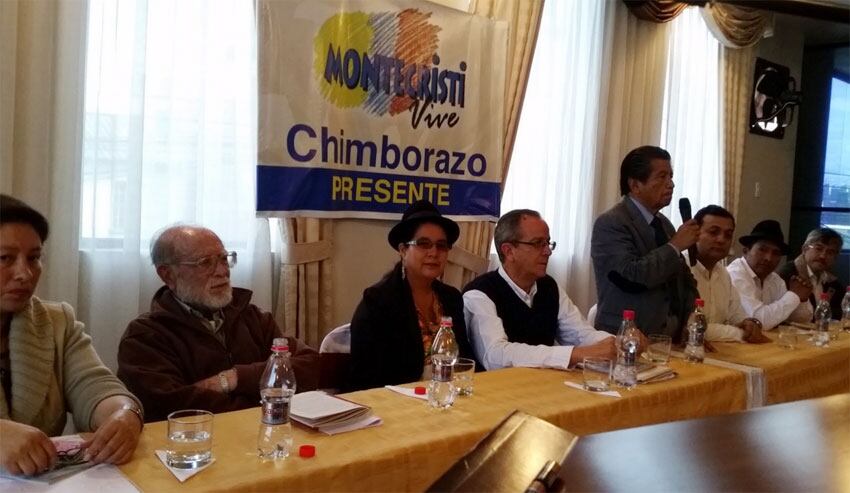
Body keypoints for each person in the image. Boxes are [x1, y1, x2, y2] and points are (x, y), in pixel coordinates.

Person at [0, 195, 143, 476]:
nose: (24, 273)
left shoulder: (57, 322)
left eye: (34, 258)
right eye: (5, 258)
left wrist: (125, 414)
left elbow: (97, 388)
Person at [117, 225, 319, 422]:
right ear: (168, 274)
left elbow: (313, 367)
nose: (222, 271)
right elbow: (174, 410)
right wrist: (264, 396)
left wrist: (235, 378)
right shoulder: (144, 337)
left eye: (224, 259)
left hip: (265, 432)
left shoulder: (253, 317)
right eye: (205, 263)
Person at [346, 201, 475, 392]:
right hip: (395, 399)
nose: (434, 253)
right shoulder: (378, 301)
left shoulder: (451, 297)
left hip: (447, 396)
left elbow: (464, 358)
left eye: (441, 246)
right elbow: (366, 377)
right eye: (423, 244)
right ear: (403, 250)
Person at [463, 210, 616, 370]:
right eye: (537, 243)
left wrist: (617, 343)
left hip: (545, 382)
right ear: (509, 251)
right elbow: (496, 355)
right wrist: (573, 355)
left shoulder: (548, 286)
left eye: (548, 243)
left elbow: (580, 334)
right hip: (500, 385)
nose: (547, 252)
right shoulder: (479, 293)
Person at [591, 146, 699, 340]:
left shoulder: (664, 224)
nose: (671, 184)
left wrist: (689, 319)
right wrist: (674, 246)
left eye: (671, 176)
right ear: (635, 185)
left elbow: (684, 279)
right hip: (626, 338)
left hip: (669, 340)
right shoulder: (611, 223)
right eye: (662, 177)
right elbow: (631, 276)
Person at [688, 205, 770, 343]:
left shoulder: (723, 273)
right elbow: (691, 327)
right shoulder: (680, 268)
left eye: (728, 235)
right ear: (695, 234)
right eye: (714, 232)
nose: (721, 240)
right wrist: (739, 333)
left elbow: (737, 317)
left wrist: (748, 325)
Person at [727, 220, 812, 330]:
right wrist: (794, 295)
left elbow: (802, 320)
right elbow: (758, 322)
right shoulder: (735, 274)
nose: (768, 258)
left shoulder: (775, 279)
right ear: (745, 251)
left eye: (776, 253)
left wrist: (802, 298)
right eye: (762, 250)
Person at [777, 228, 846, 320]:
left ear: (835, 258)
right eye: (818, 249)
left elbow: (840, 312)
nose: (823, 256)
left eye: (830, 252)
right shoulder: (787, 275)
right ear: (804, 249)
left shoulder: (832, 281)